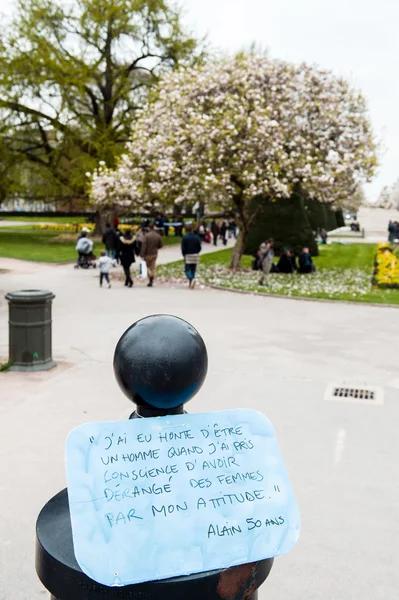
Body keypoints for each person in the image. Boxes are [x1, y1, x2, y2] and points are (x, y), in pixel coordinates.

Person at [141, 222, 163, 287]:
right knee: (152, 266)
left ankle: (150, 276)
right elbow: (160, 245)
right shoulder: (158, 236)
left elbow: (144, 246)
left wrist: (142, 254)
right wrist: (156, 248)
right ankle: (151, 278)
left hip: (147, 254)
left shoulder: (146, 236)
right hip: (154, 253)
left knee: (147, 267)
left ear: (148, 228)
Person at [181, 223, 202, 288]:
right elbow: (199, 247)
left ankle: (191, 279)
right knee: (193, 269)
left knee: (187, 270)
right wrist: (197, 251)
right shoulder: (197, 237)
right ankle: (191, 283)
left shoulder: (184, 238)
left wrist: (184, 254)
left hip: (188, 254)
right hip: (195, 254)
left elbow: (183, 248)